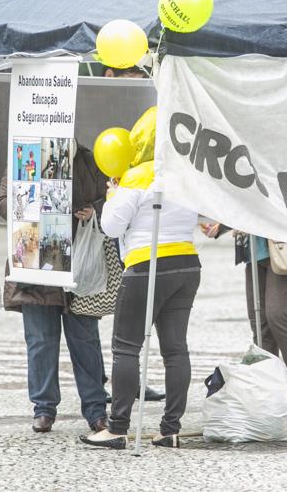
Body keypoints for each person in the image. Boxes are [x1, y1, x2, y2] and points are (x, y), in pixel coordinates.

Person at [80, 178, 202, 450]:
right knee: (176, 350)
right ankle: (170, 430)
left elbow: (111, 226)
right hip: (186, 263)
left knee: (126, 348)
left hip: (145, 265)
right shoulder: (183, 170)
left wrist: (113, 196)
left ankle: (117, 429)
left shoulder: (137, 177)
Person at [0, 143, 109, 434]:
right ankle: (44, 408)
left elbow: (110, 196)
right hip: (36, 263)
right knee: (40, 341)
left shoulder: (88, 159)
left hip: (79, 267)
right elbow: (2, 203)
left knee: (85, 341)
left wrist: (94, 210)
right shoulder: (25, 154)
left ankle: (96, 410)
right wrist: (31, 202)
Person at [201, 224, 287, 385]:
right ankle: (268, 385)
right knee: (260, 322)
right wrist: (221, 226)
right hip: (254, 252)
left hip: (285, 247)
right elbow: (246, 203)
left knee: (277, 315)